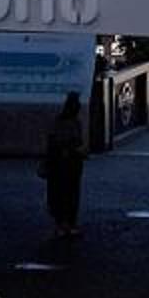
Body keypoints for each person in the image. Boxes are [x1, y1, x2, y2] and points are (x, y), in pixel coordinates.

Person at [39, 93, 88, 238]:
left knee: (61, 195)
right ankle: (67, 223)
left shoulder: (60, 122)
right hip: (67, 163)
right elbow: (76, 142)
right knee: (68, 194)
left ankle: (63, 224)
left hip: (64, 163)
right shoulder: (73, 123)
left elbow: (53, 142)